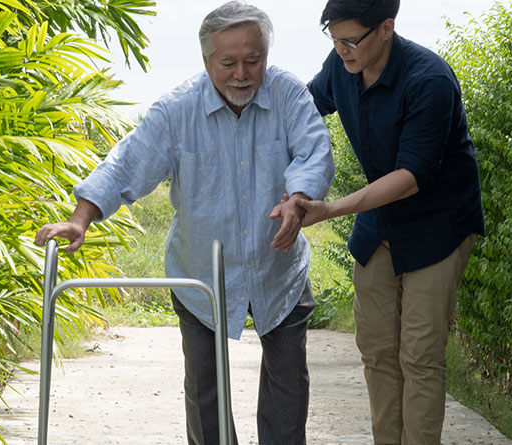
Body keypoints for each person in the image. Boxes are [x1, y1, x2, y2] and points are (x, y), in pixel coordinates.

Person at [34, 2, 335, 444]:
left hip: (279, 268)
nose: (242, 74)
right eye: (228, 62)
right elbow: (126, 164)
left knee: (288, 381)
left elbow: (313, 152)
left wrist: (298, 198)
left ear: (266, 56)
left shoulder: (288, 94)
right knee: (204, 388)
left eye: (254, 60)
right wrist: (81, 220)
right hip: (200, 274)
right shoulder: (177, 110)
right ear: (206, 60)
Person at [281, 0, 485, 443]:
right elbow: (301, 111)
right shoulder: (342, 65)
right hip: (379, 225)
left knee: (420, 356)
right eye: (333, 38)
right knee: (376, 350)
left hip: (438, 228)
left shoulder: (429, 80)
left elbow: (410, 177)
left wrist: (329, 208)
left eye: (351, 39)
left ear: (387, 28)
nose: (341, 50)